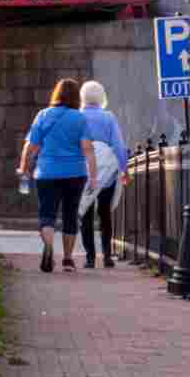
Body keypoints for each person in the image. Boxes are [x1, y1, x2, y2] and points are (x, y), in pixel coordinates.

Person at [18, 78, 98, 273]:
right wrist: (94, 176)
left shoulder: (43, 115)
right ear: (75, 97)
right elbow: (88, 149)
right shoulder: (80, 118)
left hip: (47, 172)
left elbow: (31, 146)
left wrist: (24, 167)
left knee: (47, 214)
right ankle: (68, 259)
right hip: (75, 173)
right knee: (70, 215)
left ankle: (48, 246)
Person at [78, 80, 128, 269]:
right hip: (107, 170)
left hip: (84, 169)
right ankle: (107, 255)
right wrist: (124, 169)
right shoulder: (108, 117)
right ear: (101, 97)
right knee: (105, 213)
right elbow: (118, 145)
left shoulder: (78, 117)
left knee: (86, 212)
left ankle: (90, 257)